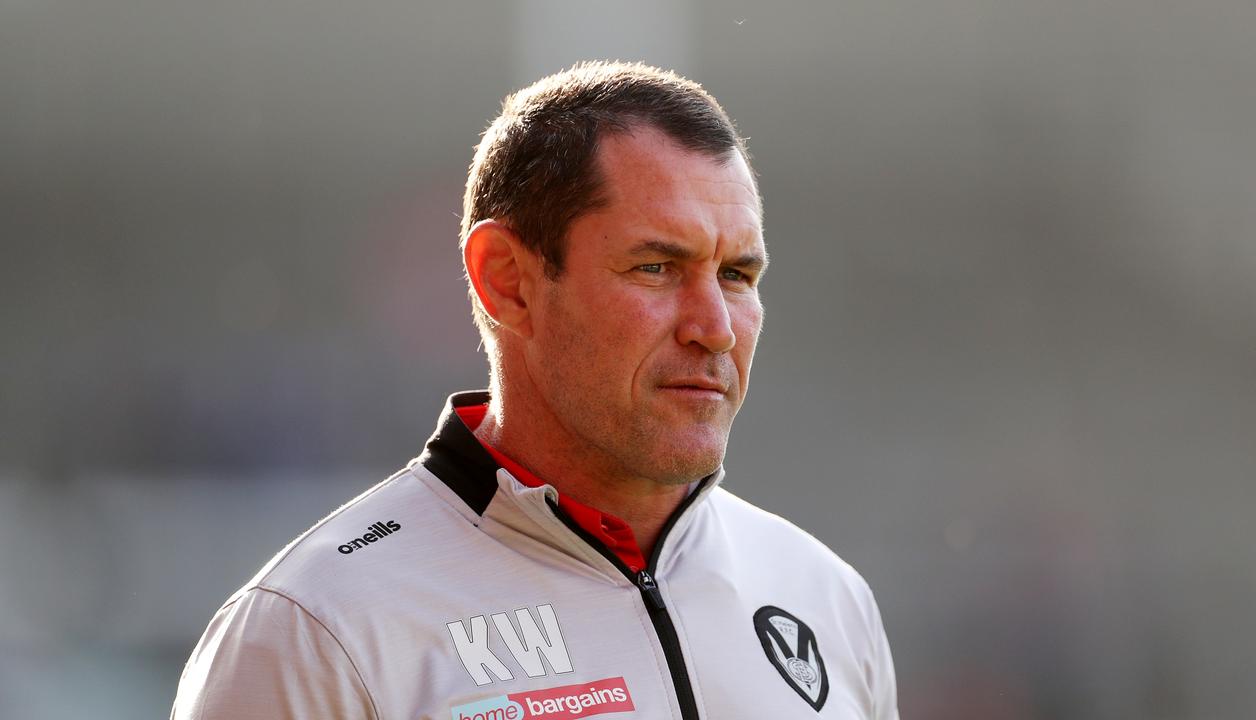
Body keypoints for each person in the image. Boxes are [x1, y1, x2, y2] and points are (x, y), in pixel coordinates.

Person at [172, 61, 898, 720]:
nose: (714, 328)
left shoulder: (824, 596)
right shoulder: (316, 631)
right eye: (656, 267)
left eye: (737, 275)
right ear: (507, 282)